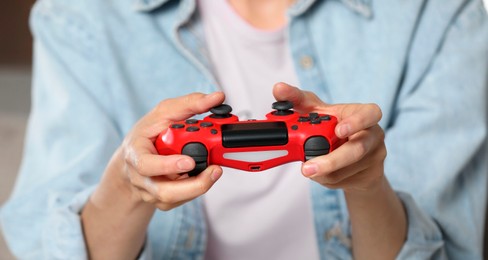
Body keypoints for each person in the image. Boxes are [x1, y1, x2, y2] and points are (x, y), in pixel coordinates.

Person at [1, 0, 487, 259]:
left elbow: (443, 252)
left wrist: (366, 184)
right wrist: (129, 187)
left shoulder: (437, 12)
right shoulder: (81, 15)